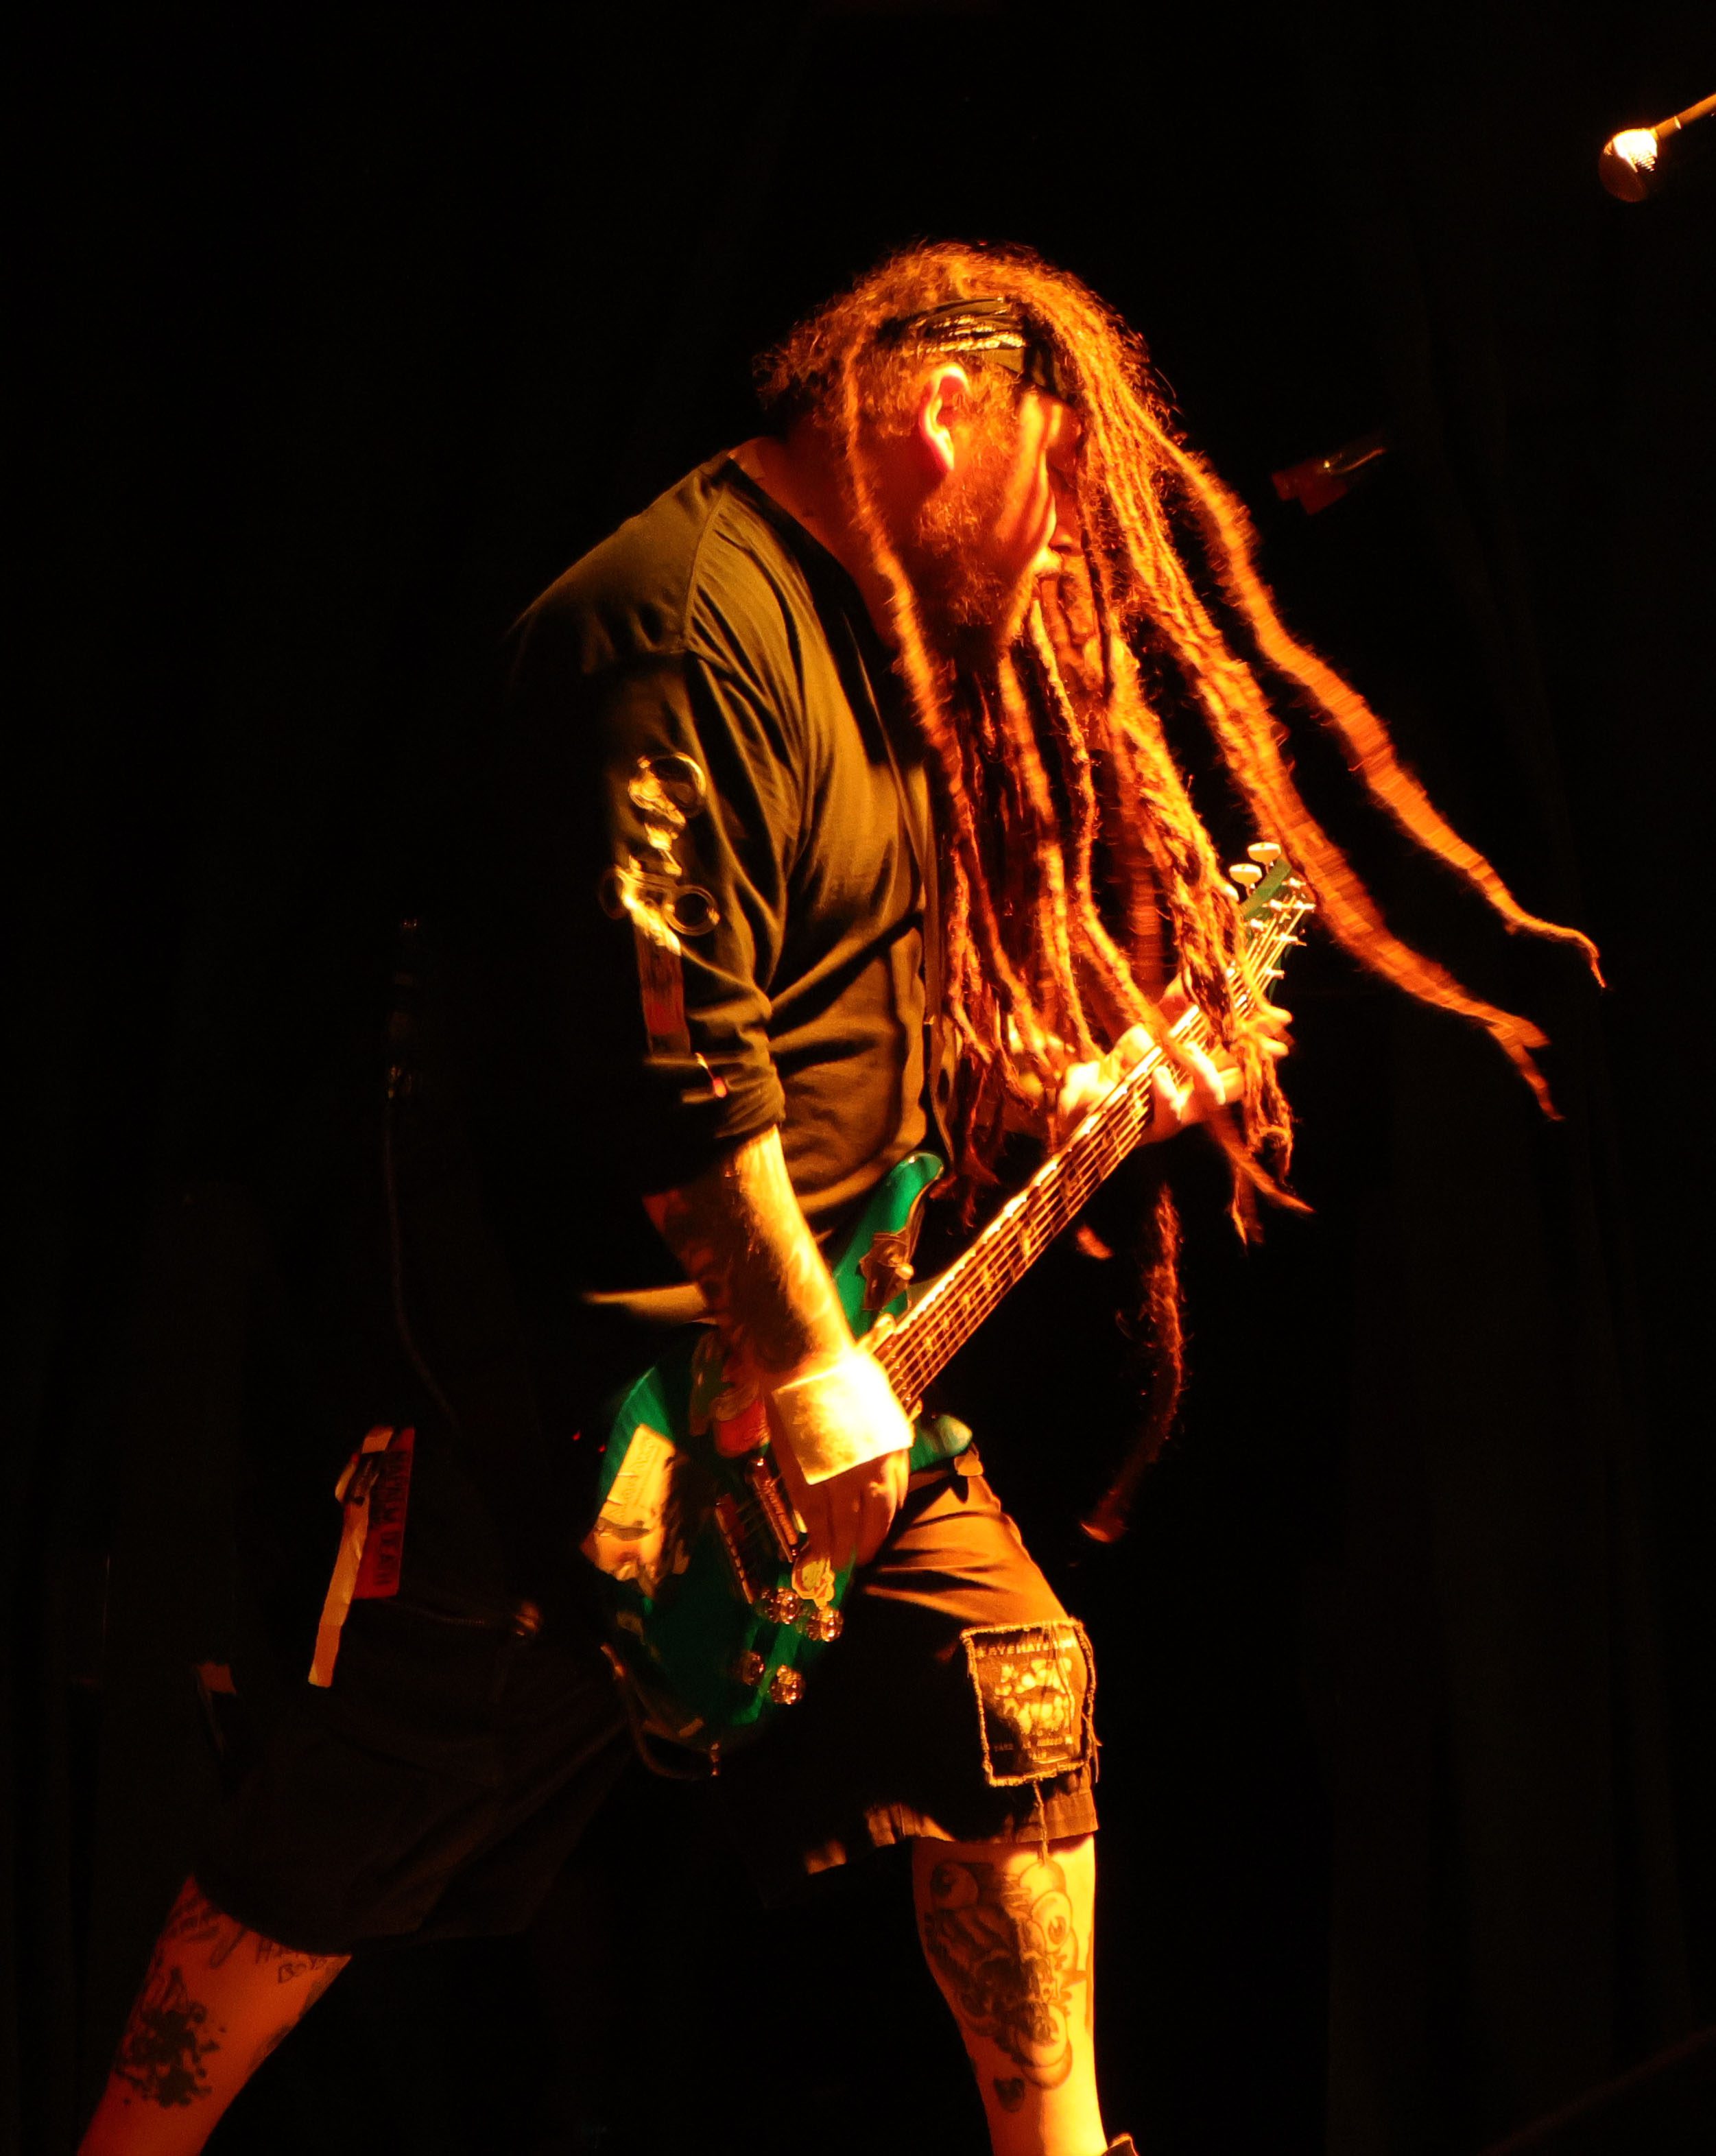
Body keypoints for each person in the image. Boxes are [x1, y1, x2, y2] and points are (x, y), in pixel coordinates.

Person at [80, 241, 1597, 2156]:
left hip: (818, 1381)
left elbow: (839, 1058)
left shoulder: (872, 652)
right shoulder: (668, 623)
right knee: (347, 1830)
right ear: (940, 408)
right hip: (589, 1400)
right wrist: (809, 1375)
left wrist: (1082, 1110)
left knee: (1016, 1695)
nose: (1070, 550)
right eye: (1063, 479)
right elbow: (672, 1064)